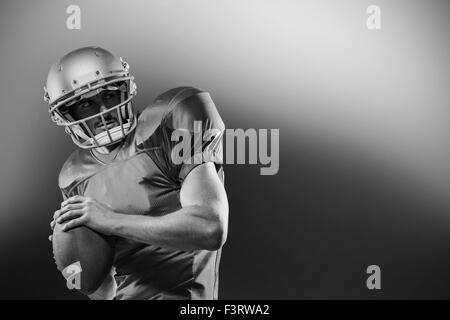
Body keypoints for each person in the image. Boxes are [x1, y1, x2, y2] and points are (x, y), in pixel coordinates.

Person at [44, 46, 228, 300]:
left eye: (109, 96)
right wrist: (73, 252)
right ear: (66, 114)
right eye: (86, 104)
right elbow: (105, 291)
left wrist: (109, 221)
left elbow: (210, 227)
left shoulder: (169, 123)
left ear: (125, 90)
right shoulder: (75, 175)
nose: (102, 111)